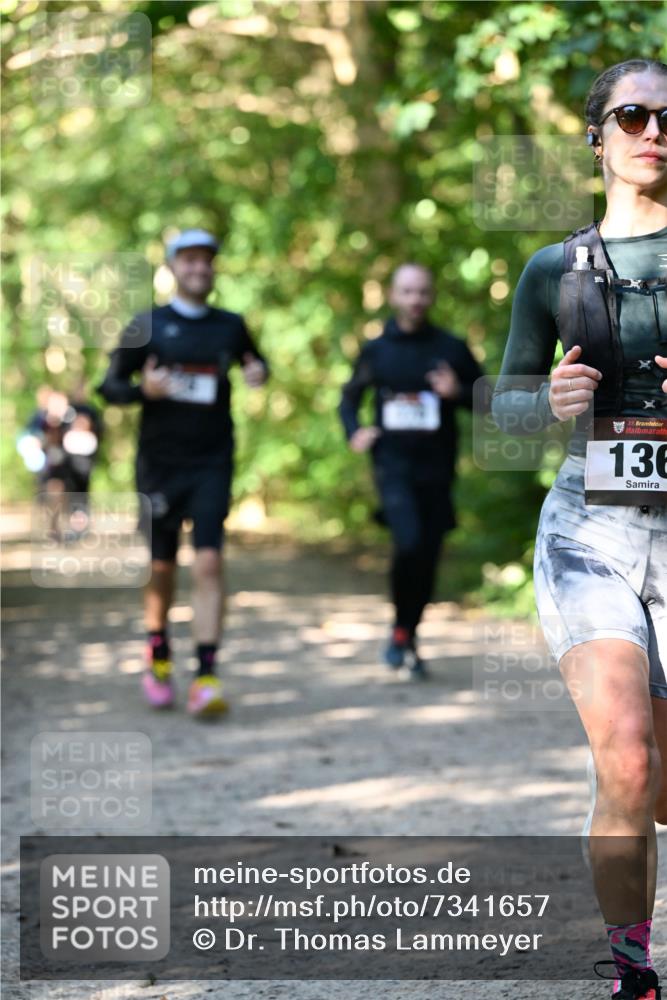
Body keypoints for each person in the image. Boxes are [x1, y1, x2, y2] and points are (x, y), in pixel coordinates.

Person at [492, 60, 667, 1000]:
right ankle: (631, 971)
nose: (652, 130)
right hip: (590, 530)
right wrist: (546, 399)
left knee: (656, 788)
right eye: (631, 115)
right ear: (596, 137)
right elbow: (505, 411)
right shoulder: (554, 269)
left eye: (666, 116)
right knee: (627, 753)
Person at [98, 229, 268, 717]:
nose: (199, 269)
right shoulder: (146, 325)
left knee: (210, 562)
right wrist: (142, 392)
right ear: (173, 267)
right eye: (190, 261)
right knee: (162, 567)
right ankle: (159, 656)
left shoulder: (230, 326)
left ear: (214, 269)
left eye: (207, 261)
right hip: (159, 466)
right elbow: (108, 387)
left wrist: (259, 373)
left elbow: (256, 364)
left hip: (212, 460)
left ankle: (207, 676)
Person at [339, 263, 484, 678]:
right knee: (408, 542)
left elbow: (489, 400)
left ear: (431, 296)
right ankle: (402, 632)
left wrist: (457, 392)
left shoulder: (451, 349)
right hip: (392, 466)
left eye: (422, 292)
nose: (415, 300)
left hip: (437, 469)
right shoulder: (377, 351)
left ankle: (408, 632)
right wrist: (355, 431)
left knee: (427, 554)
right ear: (392, 296)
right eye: (407, 292)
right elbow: (348, 400)